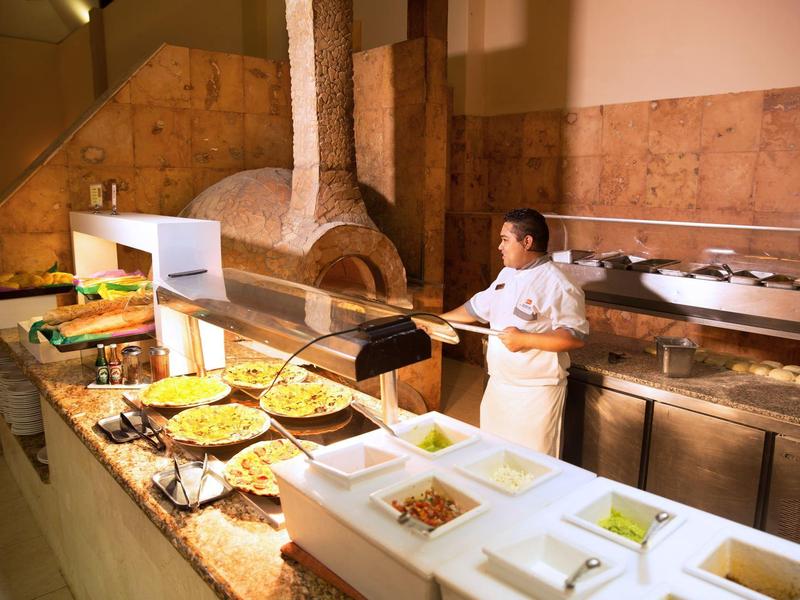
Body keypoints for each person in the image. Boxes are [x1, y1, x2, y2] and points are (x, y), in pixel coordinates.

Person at [441, 208, 588, 456]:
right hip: (498, 387)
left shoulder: (558, 284)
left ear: (527, 242)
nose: (499, 246)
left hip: (535, 395)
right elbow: (473, 310)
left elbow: (574, 337)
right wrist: (430, 321)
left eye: (505, 239)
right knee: (490, 457)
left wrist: (524, 339)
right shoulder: (507, 275)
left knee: (531, 468)